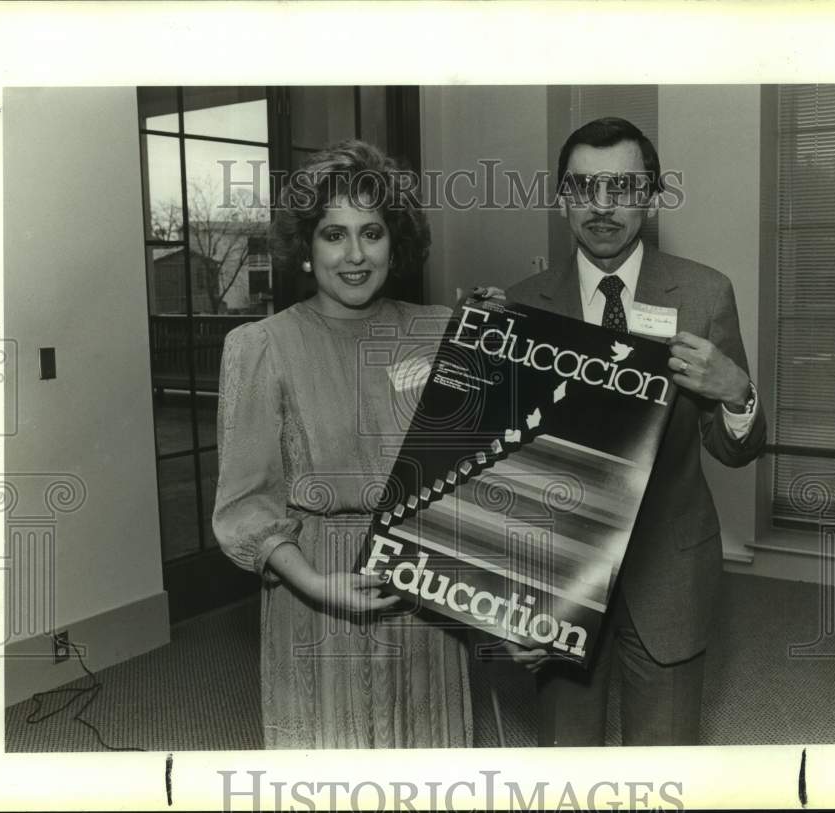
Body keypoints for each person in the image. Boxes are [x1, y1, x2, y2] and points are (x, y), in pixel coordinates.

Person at [503, 117, 766, 746]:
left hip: (667, 573)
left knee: (665, 768)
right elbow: (505, 461)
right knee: (568, 765)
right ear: (562, 197)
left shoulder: (704, 294)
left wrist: (735, 392)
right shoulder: (521, 303)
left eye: (622, 187)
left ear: (650, 196)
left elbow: (735, 449)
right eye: (584, 187)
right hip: (561, 577)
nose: (602, 206)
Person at [212, 140, 472, 749]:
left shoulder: (441, 331)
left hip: (425, 587)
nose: (354, 255)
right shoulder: (261, 346)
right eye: (333, 234)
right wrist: (310, 581)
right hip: (316, 589)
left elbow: (482, 466)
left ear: (394, 243)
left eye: (372, 232)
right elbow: (245, 503)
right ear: (305, 249)